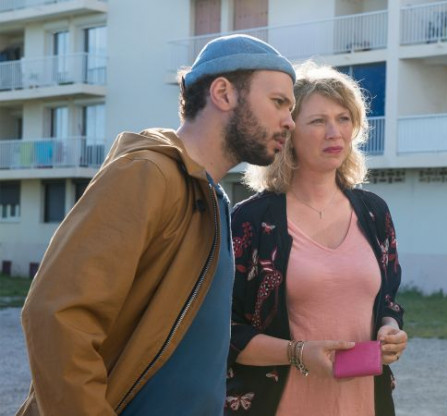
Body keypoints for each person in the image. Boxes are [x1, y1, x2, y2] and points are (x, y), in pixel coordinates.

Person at [16, 34, 296, 416]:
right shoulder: (147, 174)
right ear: (223, 93)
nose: (289, 121)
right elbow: (57, 314)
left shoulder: (211, 198)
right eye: (278, 102)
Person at [226, 62, 407, 415]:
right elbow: (225, 332)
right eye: (318, 121)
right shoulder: (250, 221)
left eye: (343, 119)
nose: (334, 133)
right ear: (289, 131)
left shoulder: (375, 213)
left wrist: (390, 330)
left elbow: (388, 301)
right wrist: (297, 353)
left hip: (363, 405)